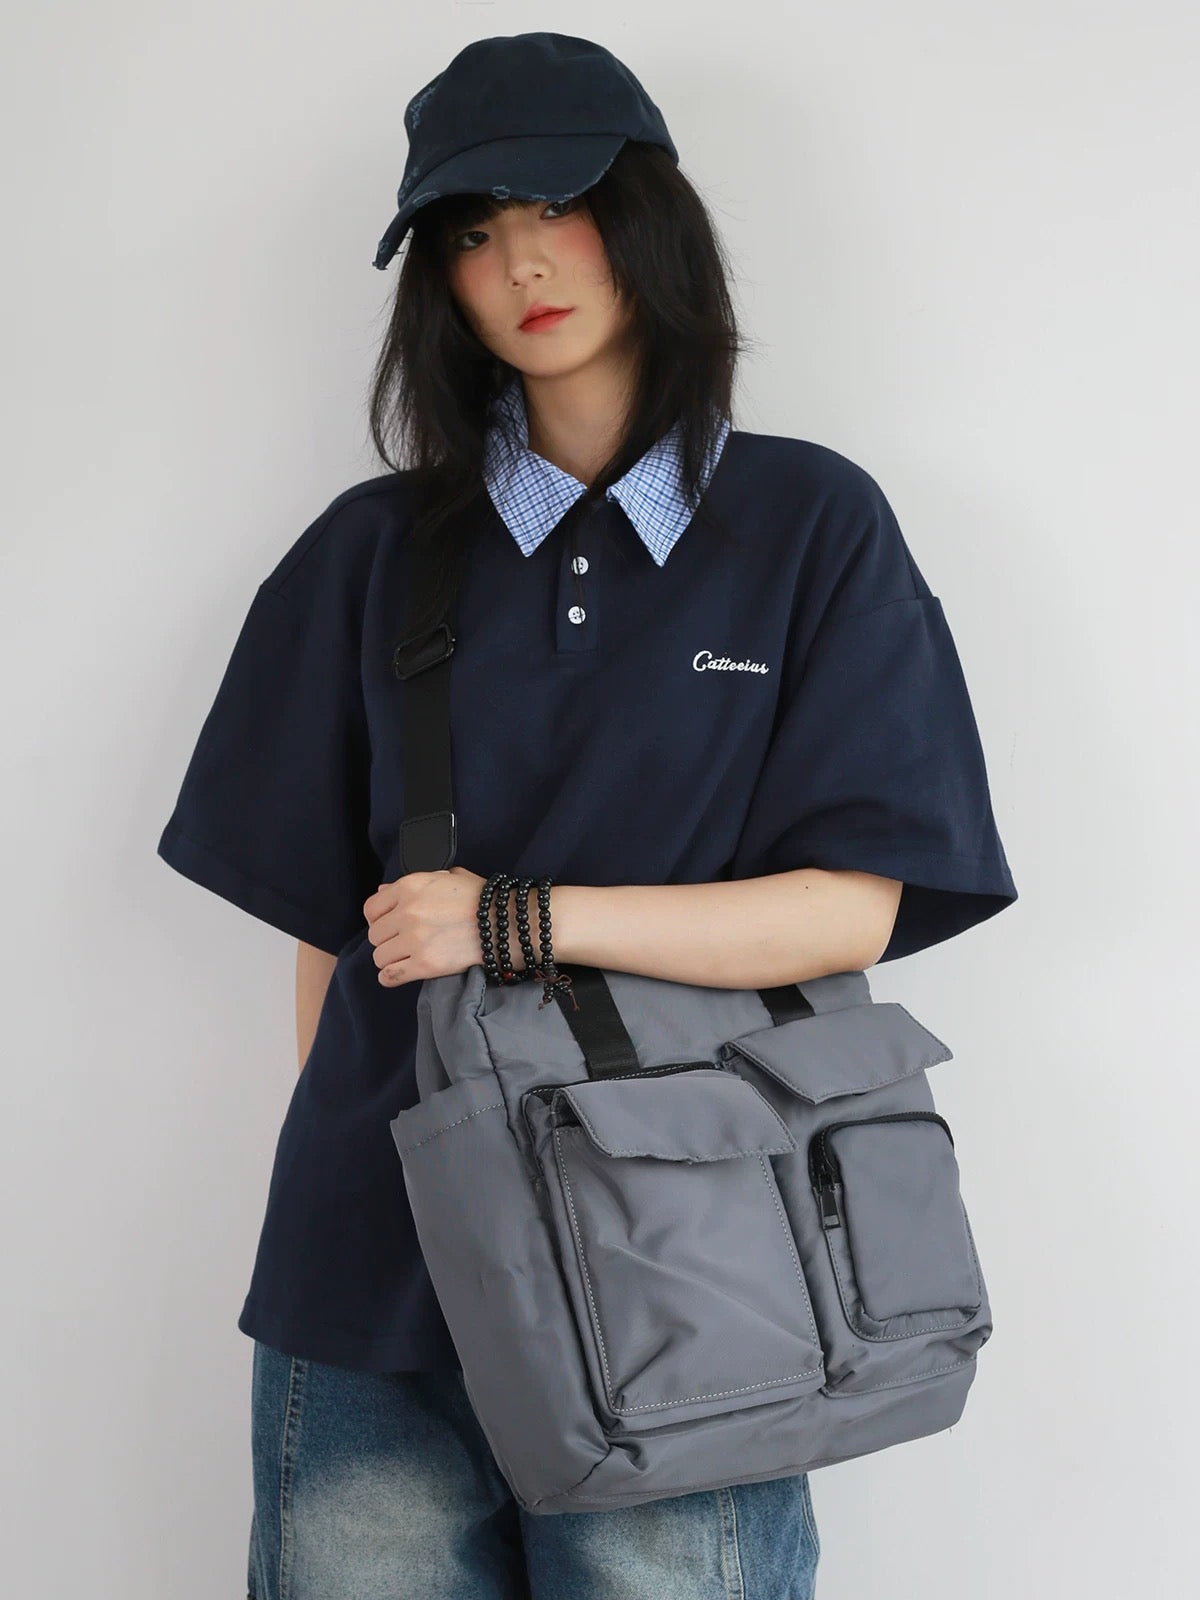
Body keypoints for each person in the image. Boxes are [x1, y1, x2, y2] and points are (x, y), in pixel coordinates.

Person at [156, 30, 1017, 1600]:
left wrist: (521, 920)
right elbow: (328, 937)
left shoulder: (808, 526)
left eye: (557, 205)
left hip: (694, 1270)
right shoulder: (371, 553)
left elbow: (858, 904)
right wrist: (407, 1177)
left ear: (650, 219)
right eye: (469, 232)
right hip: (376, 1286)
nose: (521, 262)